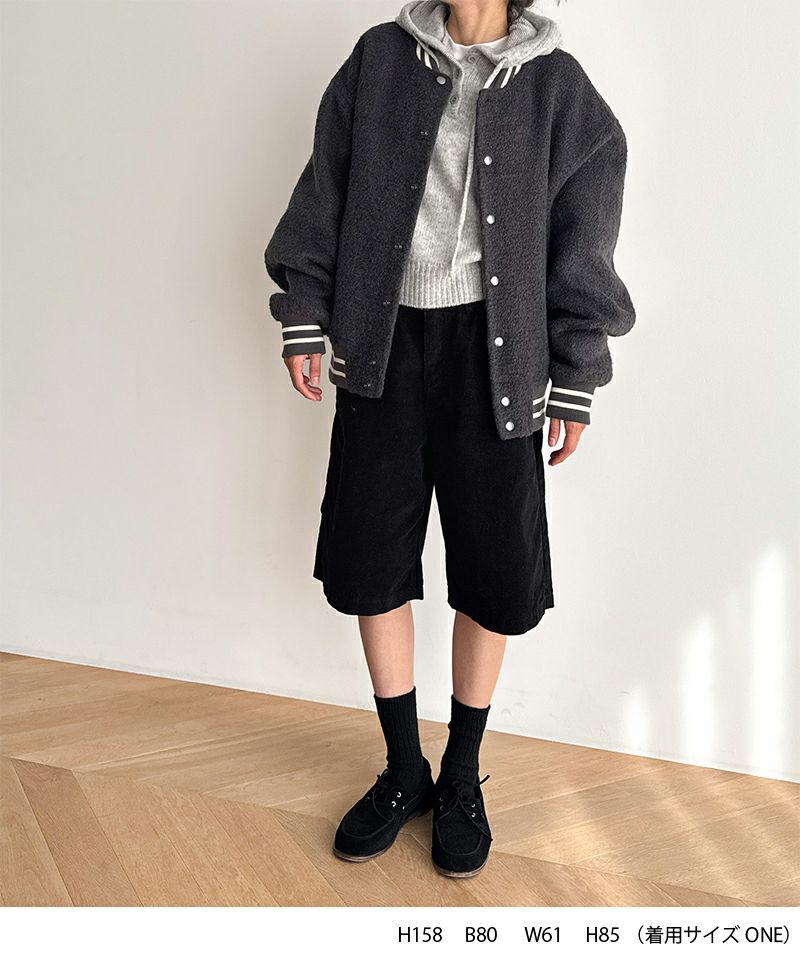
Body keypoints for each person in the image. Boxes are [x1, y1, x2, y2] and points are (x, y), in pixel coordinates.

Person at [264, 0, 635, 879]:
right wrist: (305, 309)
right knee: (369, 557)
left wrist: (577, 370)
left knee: (494, 568)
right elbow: (325, 188)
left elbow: (585, 237)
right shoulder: (379, 59)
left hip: (498, 355)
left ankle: (462, 773)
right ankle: (404, 768)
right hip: (380, 340)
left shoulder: (558, 89)